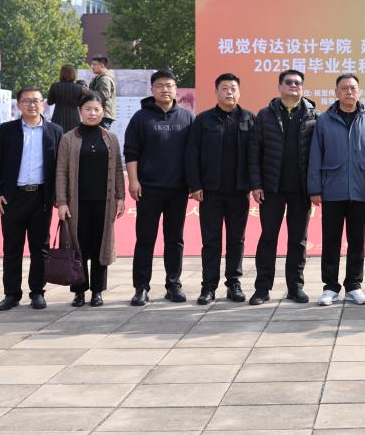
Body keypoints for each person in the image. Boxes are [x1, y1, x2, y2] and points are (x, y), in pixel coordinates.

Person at [308, 73, 365, 306]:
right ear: (336, 92)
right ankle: (330, 287)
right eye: (344, 88)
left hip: (360, 189)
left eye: (353, 88)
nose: (349, 92)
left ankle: (354, 285)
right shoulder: (324, 120)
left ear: (359, 91)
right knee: (330, 240)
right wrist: (314, 187)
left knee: (357, 240)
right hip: (332, 188)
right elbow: (315, 154)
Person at [0, 87, 64, 311]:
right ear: (18, 104)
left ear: (43, 104)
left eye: (36, 101)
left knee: (40, 248)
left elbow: (60, 167)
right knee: (12, 248)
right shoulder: (7, 130)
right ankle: (11, 294)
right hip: (13, 198)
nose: (32, 105)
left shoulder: (55, 131)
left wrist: (59, 196)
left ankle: (37, 292)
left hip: (41, 197)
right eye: (27, 101)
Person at [248, 69, 318, 305]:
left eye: (298, 83)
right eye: (288, 82)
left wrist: (315, 187)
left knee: (298, 240)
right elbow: (254, 153)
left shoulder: (313, 116)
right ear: (279, 87)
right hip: (271, 189)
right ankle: (262, 288)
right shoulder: (265, 115)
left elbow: (319, 154)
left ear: (303, 88)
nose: (293, 86)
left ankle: (295, 287)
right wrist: (256, 184)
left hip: (301, 190)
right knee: (268, 238)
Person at [125, 69, 194, 306]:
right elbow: (131, 151)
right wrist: (133, 180)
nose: (165, 89)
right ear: (152, 90)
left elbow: (193, 154)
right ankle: (141, 287)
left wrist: (193, 184)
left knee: (174, 240)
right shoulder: (140, 118)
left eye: (169, 85)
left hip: (178, 190)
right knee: (145, 240)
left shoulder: (187, 117)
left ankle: (173, 285)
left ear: (176, 89)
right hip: (148, 189)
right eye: (160, 86)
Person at [186, 73, 256, 305]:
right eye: (224, 88)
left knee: (237, 240)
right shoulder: (203, 120)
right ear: (216, 92)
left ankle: (234, 283)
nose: (229, 92)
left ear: (239, 92)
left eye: (233, 88)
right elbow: (192, 154)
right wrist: (195, 185)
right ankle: (208, 286)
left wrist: (255, 184)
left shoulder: (249, 119)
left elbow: (257, 155)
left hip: (239, 191)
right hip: (210, 192)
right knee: (211, 241)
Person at [55, 94, 125, 307]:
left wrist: (120, 196)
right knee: (78, 247)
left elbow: (118, 170)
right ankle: (79, 291)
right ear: (80, 111)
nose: (92, 113)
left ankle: (97, 291)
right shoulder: (69, 138)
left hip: (104, 203)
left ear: (103, 111)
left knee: (100, 247)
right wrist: (62, 201)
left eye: (96, 109)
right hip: (77, 204)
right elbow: (61, 171)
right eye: (88, 109)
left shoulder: (110, 138)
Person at [47, 64, 86, 133]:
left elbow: (49, 102)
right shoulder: (79, 88)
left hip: (58, 117)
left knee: (58, 137)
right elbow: (80, 104)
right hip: (73, 118)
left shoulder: (55, 86)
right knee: (73, 137)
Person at [89, 56, 117, 129]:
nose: (92, 66)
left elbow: (103, 95)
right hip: (101, 113)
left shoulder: (105, 79)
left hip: (103, 115)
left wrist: (87, 91)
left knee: (101, 135)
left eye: (94, 64)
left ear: (102, 65)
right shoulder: (100, 78)